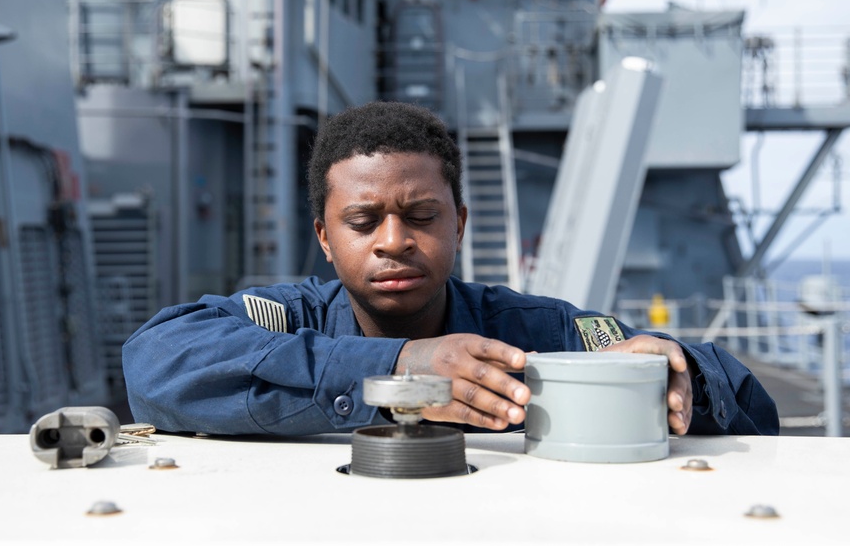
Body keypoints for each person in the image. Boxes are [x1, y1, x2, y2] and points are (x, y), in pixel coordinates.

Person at [123, 101, 779, 437]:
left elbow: (748, 402)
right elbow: (154, 361)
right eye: (362, 220)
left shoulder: (531, 334)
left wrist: (676, 370)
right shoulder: (282, 318)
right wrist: (398, 367)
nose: (394, 240)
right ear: (324, 237)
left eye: (421, 216)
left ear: (459, 223)